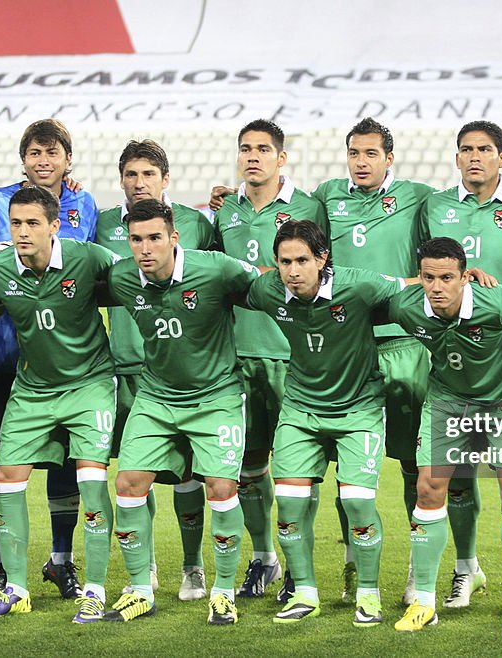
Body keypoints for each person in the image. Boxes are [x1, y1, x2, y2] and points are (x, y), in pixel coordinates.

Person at [389, 237, 502, 635]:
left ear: (465, 277)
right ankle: (424, 602)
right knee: (428, 488)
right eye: (429, 278)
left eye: (447, 277)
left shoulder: (499, 303)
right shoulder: (405, 308)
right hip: (446, 401)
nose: (437, 287)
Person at [106, 199, 259, 624]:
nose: (145, 248)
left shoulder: (214, 268)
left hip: (217, 396)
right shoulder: (121, 276)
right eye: (136, 239)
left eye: (155, 237)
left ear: (174, 238)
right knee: (129, 480)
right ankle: (139, 589)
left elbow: (267, 284)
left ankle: (223, 592)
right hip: (156, 397)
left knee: (223, 488)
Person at [245, 219, 402, 626]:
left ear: (322, 259)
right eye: (284, 262)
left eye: (301, 261)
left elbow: (414, 288)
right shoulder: (268, 289)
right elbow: (235, 283)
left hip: (359, 408)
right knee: (290, 506)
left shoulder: (359, 285)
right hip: (301, 409)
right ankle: (305, 592)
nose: (292, 271)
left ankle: (368, 593)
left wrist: (462, 280)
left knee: (357, 501)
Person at [0, 186, 118, 623]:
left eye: (33, 223)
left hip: (89, 383)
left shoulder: (87, 257)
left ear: (55, 226)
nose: (22, 232)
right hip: (33, 387)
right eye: (16, 223)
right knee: (6, 477)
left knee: (91, 480)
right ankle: (16, 587)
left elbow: (132, 283)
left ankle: (94, 589)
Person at [415, 120, 502, 608]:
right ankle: (466, 568)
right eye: (465, 150)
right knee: (450, 478)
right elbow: (422, 266)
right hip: (452, 358)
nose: (474, 158)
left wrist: (500, 291)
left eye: (485, 150)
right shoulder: (434, 206)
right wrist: (457, 284)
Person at [96, 139, 216, 601]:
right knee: (134, 470)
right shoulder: (104, 223)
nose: (139, 182)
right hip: (123, 365)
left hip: (183, 370)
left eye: (148, 174)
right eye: (131, 174)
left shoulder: (197, 223)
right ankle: (143, 565)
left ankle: (192, 565)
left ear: (165, 179)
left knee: (188, 475)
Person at [211, 119, 326, 599]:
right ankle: (265, 558)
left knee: (301, 466)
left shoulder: (308, 207)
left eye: (263, 149)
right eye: (245, 149)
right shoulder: (224, 212)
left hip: (297, 355)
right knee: (249, 464)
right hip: (240, 356)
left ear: (282, 158)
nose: (252, 156)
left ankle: (301, 566)